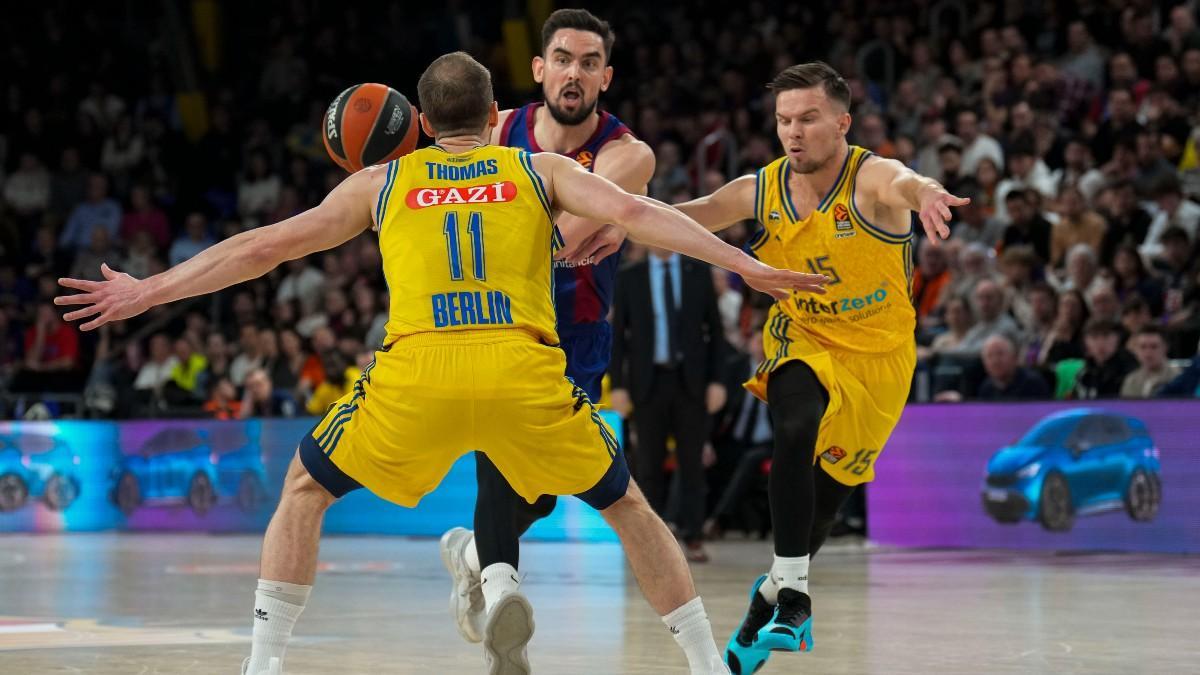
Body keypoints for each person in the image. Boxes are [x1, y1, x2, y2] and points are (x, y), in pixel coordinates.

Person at [56, 52, 825, 675]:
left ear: (421, 125)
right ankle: (701, 663)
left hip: (415, 374)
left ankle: (264, 664)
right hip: (521, 372)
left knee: (303, 488)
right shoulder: (537, 169)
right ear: (496, 119)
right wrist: (744, 266)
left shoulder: (382, 179)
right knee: (628, 507)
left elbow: (262, 247)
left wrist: (148, 289)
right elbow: (642, 214)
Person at [669, 62, 965, 672]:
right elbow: (691, 213)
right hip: (801, 335)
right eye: (783, 121)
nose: (794, 132)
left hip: (880, 358)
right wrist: (611, 214)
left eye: (808, 119)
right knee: (796, 426)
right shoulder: (763, 187)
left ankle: (771, 596)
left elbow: (904, 181)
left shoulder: (869, 177)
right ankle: (797, 597)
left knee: (826, 503)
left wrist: (928, 192)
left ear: (842, 123)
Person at [438, 7, 660, 646]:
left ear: (606, 77)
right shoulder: (495, 128)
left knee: (542, 491)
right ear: (539, 68)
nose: (574, 73)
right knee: (498, 457)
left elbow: (557, 240)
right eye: (562, 59)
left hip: (578, 332)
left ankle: (473, 558)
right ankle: (502, 595)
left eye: (589, 63)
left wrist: (616, 219)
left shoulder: (627, 153)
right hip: (496, 322)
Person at [610, 245, 728, 562]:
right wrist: (617, 386)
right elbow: (619, 336)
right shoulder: (629, 277)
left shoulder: (698, 272)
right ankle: (652, 541)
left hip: (690, 382)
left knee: (692, 463)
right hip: (647, 383)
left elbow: (715, 332)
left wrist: (718, 381)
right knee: (648, 464)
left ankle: (693, 536)